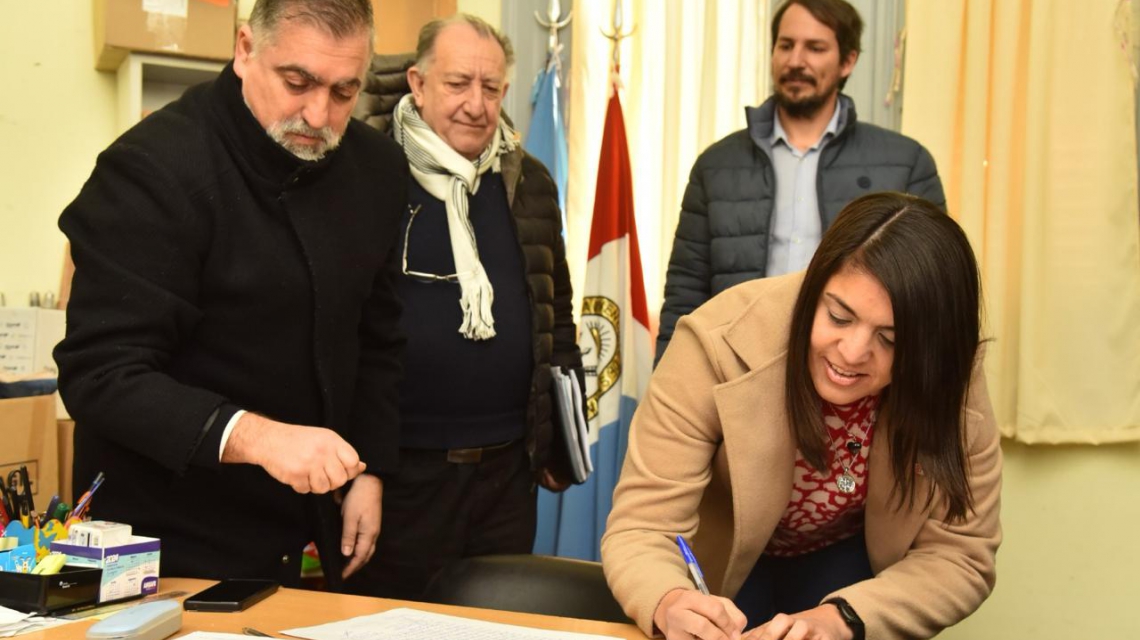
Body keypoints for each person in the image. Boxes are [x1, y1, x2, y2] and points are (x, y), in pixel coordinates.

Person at [54, 0, 407, 588]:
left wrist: (370, 471)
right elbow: (101, 374)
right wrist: (257, 436)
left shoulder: (377, 170)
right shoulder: (153, 167)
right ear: (245, 50)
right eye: (297, 82)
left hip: (309, 527)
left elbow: (377, 335)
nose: (318, 114)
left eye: (344, 91)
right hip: (170, 536)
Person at [602, 192, 1002, 640]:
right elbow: (644, 526)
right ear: (814, 287)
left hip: (851, 563)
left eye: (890, 339)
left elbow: (960, 555)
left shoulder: (952, 375)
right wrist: (670, 600)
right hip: (722, 561)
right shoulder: (715, 341)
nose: (852, 353)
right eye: (839, 317)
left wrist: (842, 619)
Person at [343, 15, 583, 600]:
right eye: (457, 84)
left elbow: (555, 315)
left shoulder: (530, 182)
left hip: (507, 478)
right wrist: (363, 470)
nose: (476, 105)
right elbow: (341, 332)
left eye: (491, 88)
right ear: (418, 83)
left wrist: (559, 441)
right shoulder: (364, 172)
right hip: (398, 476)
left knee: (498, 624)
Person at [656, 0, 946, 364]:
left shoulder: (907, 164)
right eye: (786, 45)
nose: (795, 61)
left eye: (815, 48)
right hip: (738, 369)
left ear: (847, 61)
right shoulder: (716, 166)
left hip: (853, 372)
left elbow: (932, 296)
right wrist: (667, 380)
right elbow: (685, 293)